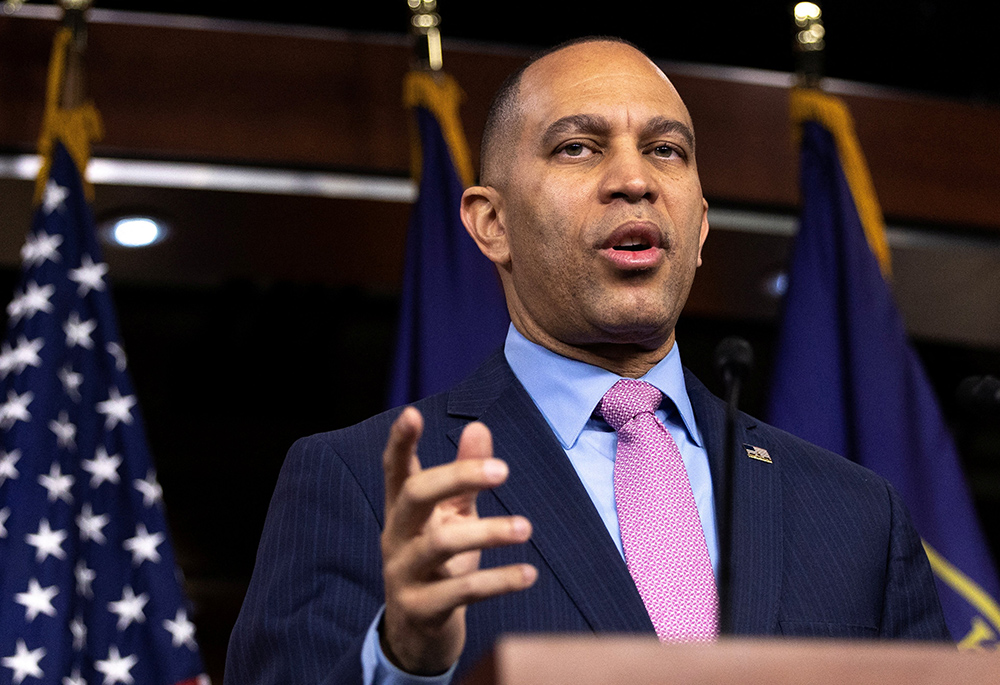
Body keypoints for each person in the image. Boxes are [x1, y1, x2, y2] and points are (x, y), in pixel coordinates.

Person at [225, 37, 949, 685]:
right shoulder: (358, 483)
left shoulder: (857, 512)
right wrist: (407, 661)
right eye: (578, 146)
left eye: (666, 150)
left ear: (698, 228)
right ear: (491, 222)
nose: (634, 179)